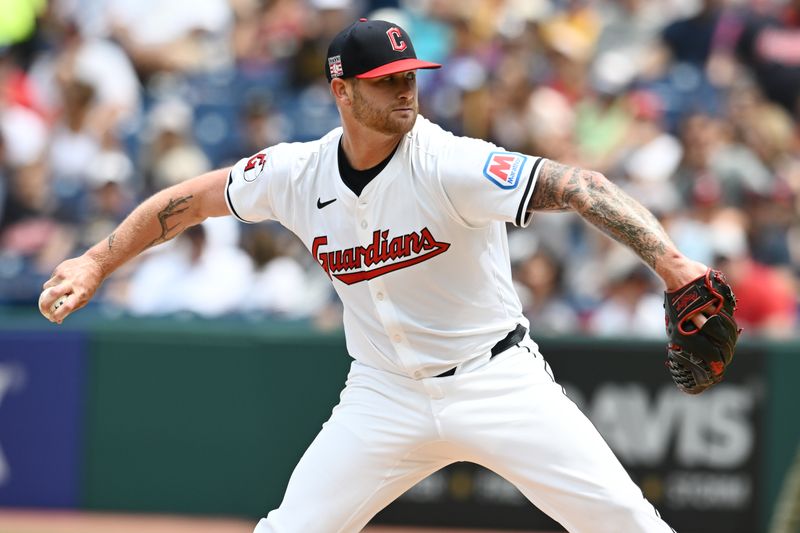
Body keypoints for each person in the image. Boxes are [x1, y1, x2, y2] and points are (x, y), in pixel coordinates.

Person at [38, 19, 712, 533]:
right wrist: (98, 258)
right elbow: (187, 202)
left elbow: (576, 184)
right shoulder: (297, 174)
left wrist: (674, 265)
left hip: (494, 379)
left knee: (628, 521)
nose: (405, 88)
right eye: (386, 78)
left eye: (409, 75)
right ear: (341, 90)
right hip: (382, 396)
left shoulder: (448, 162)